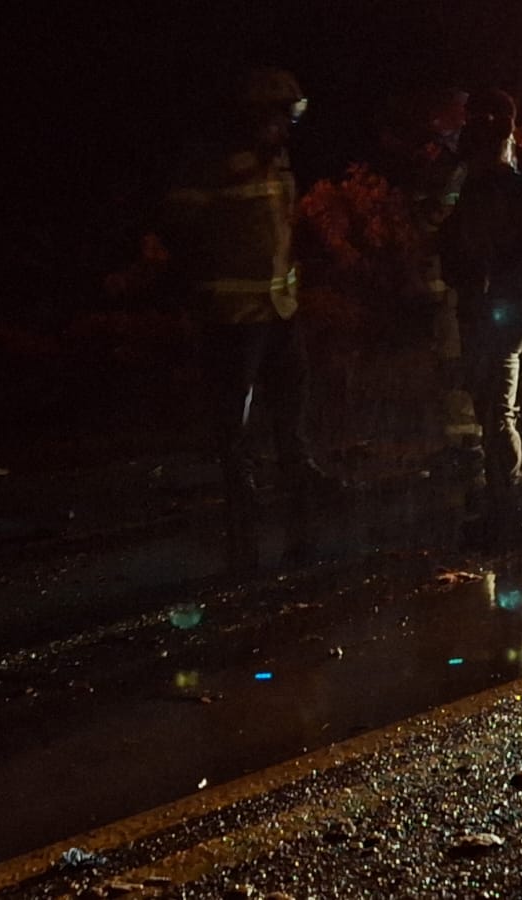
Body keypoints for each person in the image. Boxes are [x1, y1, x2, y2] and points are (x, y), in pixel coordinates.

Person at [161, 66, 334, 574]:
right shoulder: (210, 165)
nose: (286, 128)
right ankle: (244, 532)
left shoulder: (276, 161)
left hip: (280, 316)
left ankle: (301, 530)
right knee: (234, 434)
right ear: (256, 117)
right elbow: (178, 226)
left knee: (291, 427)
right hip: (232, 321)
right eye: (281, 116)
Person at [441, 88, 522, 544]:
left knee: (499, 417)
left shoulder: (479, 185)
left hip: (502, 315)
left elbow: (459, 257)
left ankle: (505, 517)